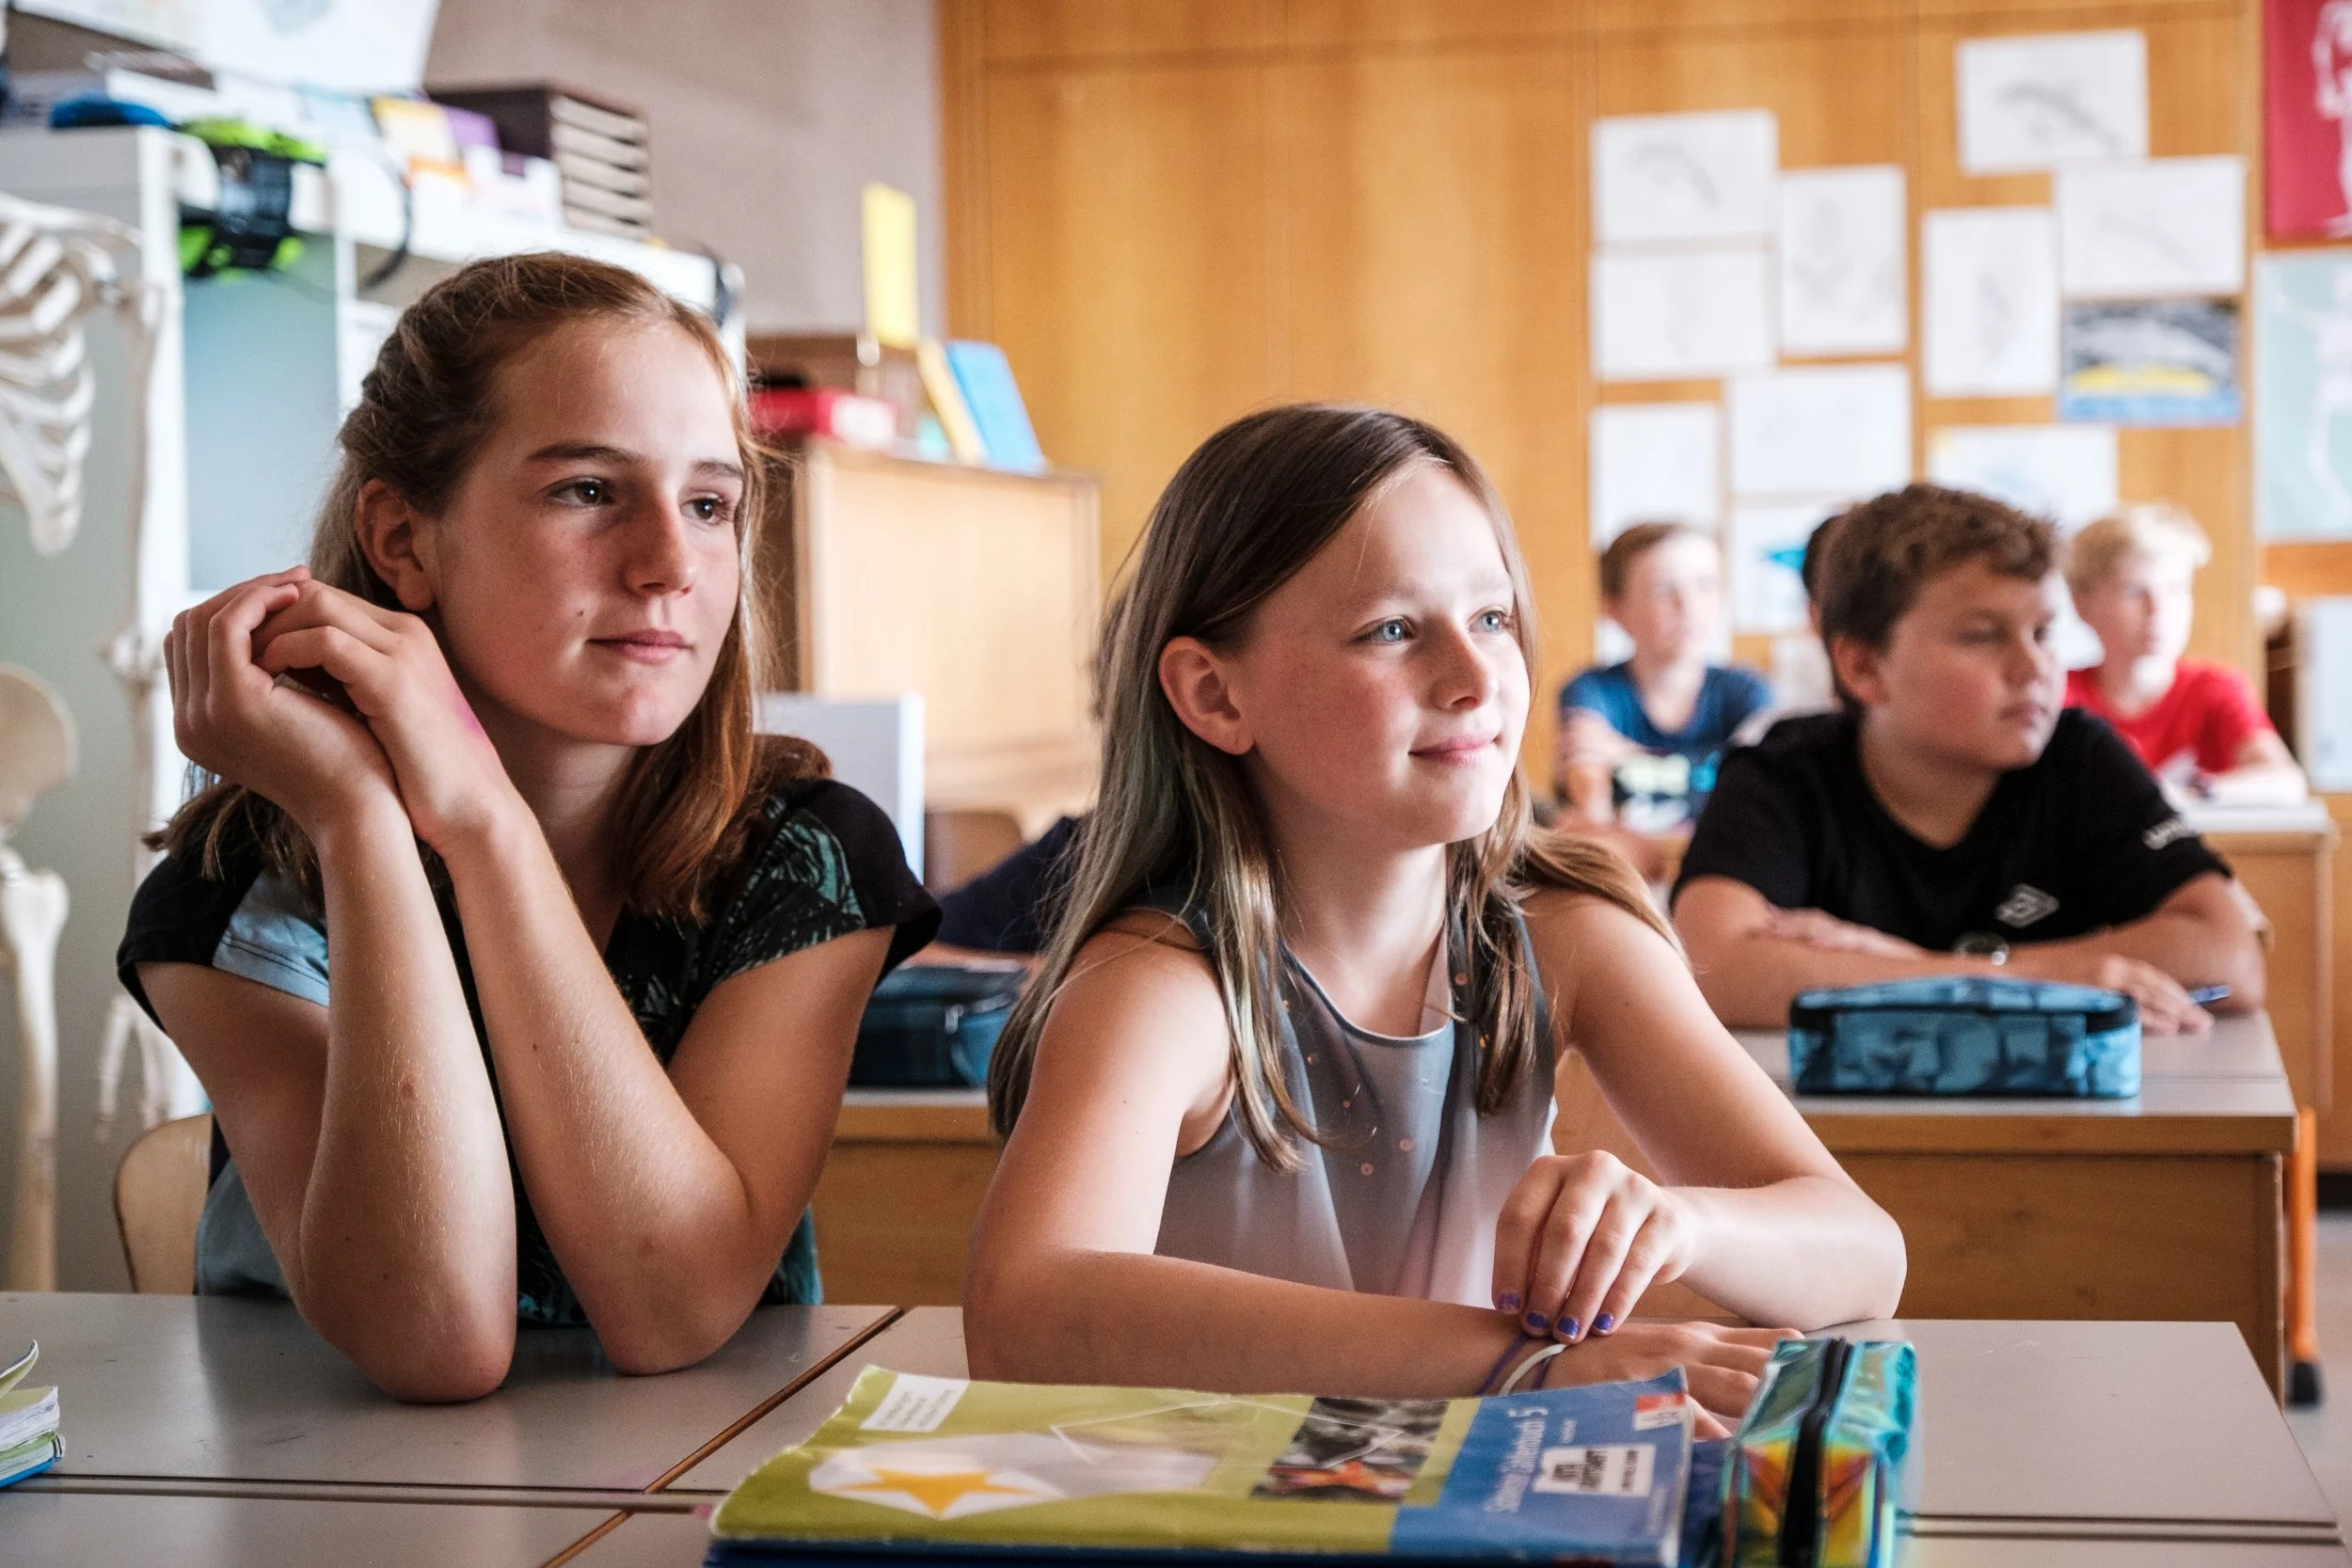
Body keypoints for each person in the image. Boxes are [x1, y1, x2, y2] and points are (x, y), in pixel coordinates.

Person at [964, 405, 1905, 1428]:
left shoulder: (1565, 929)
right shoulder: (1164, 979)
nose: (1473, 680)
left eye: (1492, 618)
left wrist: (1678, 1222)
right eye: (1392, 630)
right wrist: (1519, 1364)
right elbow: (1025, 1311)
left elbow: (1862, 1254)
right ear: (1213, 692)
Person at [116, 256, 938, 1402]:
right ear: (403, 540)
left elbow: (673, 1305)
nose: (667, 565)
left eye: (708, 504)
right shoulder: (242, 892)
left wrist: (479, 817)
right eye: (588, 491)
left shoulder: (806, 862)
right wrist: (362, 821)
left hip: (687, 1485)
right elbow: (433, 1338)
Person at [1673, 483, 2265, 1036]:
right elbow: (1711, 970)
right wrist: (2012, 981)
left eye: (2044, 632)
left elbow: (2232, 957)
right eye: (1983, 636)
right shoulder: (1783, 772)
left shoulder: (2080, 757)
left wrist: (1913, 968)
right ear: (1863, 668)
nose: (2033, 667)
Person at [2063, 504, 2309, 807]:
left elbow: (2285, 783)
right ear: (2081, 603)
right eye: (2135, 591)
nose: (2159, 609)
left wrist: (2188, 794)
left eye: (2176, 589)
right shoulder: (2059, 695)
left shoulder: (2214, 689)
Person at [1554, 522, 1772, 834]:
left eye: (1704, 584)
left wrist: (1628, 756)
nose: (1688, 605)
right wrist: (1712, 769)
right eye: (1662, 589)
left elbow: (1758, 794)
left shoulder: (1749, 692)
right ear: (1615, 608)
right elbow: (1592, 808)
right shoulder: (1590, 691)